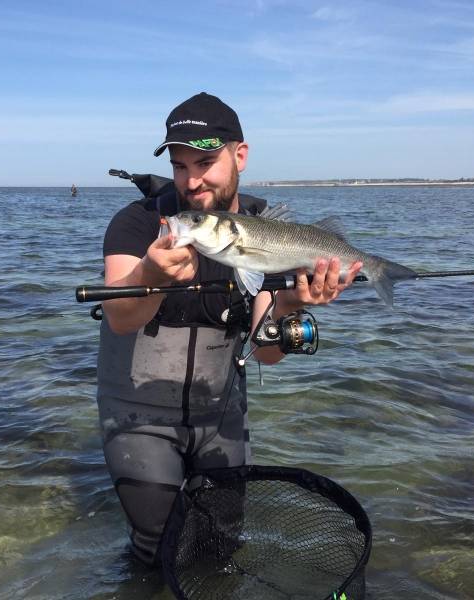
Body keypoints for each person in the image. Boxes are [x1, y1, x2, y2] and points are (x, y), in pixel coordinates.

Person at [96, 92, 363, 565]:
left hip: (222, 417)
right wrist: (151, 277)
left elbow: (266, 353)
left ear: (239, 155)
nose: (191, 180)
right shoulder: (138, 224)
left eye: (204, 162)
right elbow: (120, 317)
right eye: (180, 166)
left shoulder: (265, 231)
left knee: (220, 550)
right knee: (159, 547)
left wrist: (291, 303)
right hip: (140, 419)